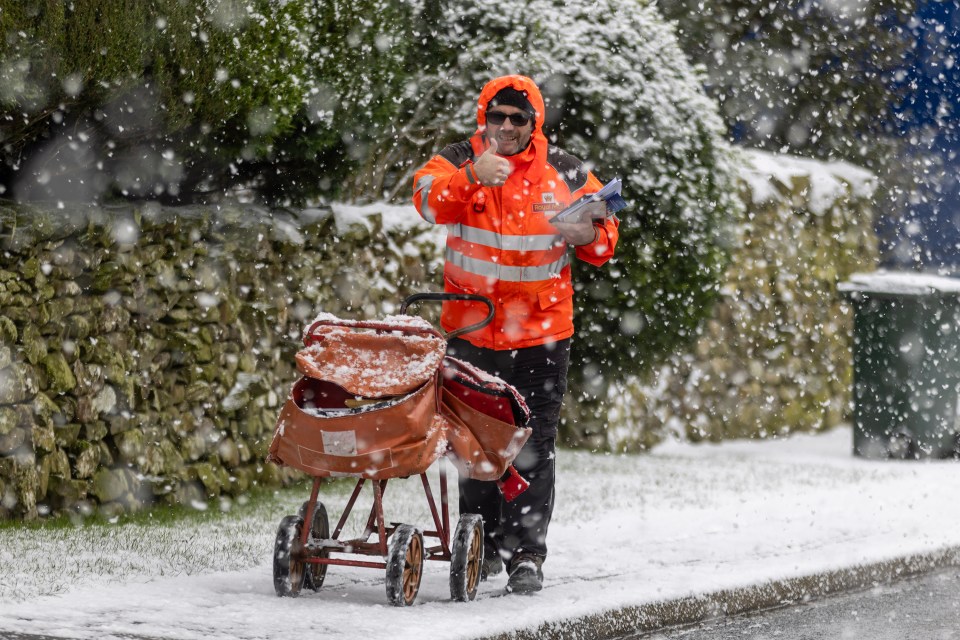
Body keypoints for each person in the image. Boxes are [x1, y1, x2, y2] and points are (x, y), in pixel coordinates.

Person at [412, 75, 619, 594]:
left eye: (518, 119)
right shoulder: (459, 158)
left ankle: (526, 554)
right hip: (473, 331)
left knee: (534, 445)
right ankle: (478, 546)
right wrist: (470, 178)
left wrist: (587, 234)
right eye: (497, 116)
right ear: (485, 117)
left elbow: (605, 238)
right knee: (472, 444)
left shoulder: (566, 170)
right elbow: (427, 200)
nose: (506, 127)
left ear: (534, 124)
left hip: (543, 336)